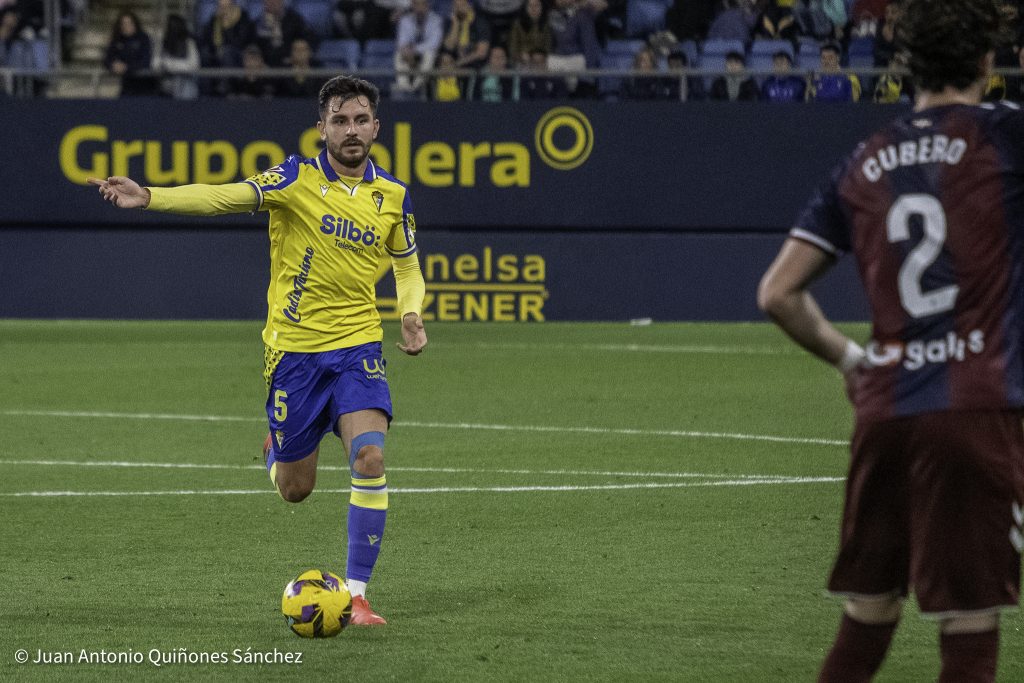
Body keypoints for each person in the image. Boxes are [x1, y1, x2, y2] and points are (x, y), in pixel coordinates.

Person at [87, 76, 428, 627]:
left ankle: (358, 595)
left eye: (361, 120)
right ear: (322, 128)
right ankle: (276, 447)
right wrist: (150, 196)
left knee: (370, 457)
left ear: (376, 128)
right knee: (296, 490)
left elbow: (407, 264)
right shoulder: (294, 179)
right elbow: (225, 196)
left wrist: (410, 312)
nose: (351, 130)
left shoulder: (392, 194)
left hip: (358, 346)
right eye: (340, 120)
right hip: (294, 353)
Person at [757, 0, 1024, 680]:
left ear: (908, 67)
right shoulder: (1005, 134)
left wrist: (851, 359)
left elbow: (777, 293)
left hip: (885, 409)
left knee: (870, 609)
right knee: (969, 616)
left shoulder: (864, 158)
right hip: (973, 407)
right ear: (987, 63)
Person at [392, 0, 443, 98]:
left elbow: (434, 44)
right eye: (416, 4)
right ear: (412, 6)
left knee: (429, 55)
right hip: (410, 54)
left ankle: (416, 86)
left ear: (427, 5)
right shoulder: (405, 20)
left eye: (422, 4)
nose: (420, 8)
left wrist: (415, 50)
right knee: (399, 55)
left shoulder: (436, 20)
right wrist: (407, 51)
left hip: (426, 54)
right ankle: (404, 87)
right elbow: (402, 42)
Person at [103, 10, 154, 96]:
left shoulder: (143, 38)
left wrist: (127, 67)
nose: (126, 26)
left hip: (143, 84)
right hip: (126, 84)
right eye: (123, 24)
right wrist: (113, 65)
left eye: (129, 23)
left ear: (135, 24)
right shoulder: (117, 39)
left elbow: (146, 61)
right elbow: (107, 59)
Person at [152, 13, 200, 100]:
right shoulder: (162, 43)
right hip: (166, 86)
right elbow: (155, 64)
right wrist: (164, 65)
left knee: (183, 83)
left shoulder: (189, 42)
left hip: (185, 88)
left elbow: (194, 65)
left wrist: (172, 65)